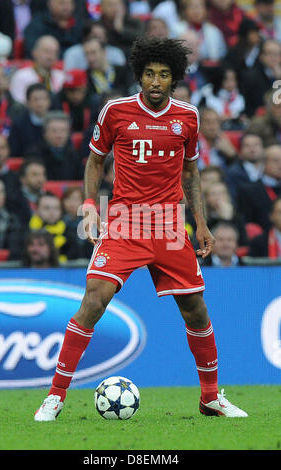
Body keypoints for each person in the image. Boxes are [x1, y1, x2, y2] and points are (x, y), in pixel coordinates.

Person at [34, 36, 247, 421]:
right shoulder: (115, 111)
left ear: (174, 79)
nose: (155, 81)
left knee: (196, 310)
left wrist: (200, 222)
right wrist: (89, 206)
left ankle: (211, 397)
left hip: (168, 225)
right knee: (94, 301)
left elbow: (191, 171)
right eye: (149, 73)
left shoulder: (188, 117)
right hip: (124, 222)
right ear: (139, 75)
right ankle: (55, 396)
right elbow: (95, 161)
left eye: (163, 75)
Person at [25, 111, 84, 180]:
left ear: (68, 133)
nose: (58, 135)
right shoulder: (34, 154)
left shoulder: (75, 155)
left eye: (63, 131)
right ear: (44, 133)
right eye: (54, 131)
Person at [29, 192, 84, 262]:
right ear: (36, 210)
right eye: (46, 208)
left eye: (56, 208)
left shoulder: (69, 233)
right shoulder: (28, 232)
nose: (52, 212)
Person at [9, 35, 65, 104]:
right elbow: (19, 104)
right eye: (46, 51)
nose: (50, 57)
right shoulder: (21, 76)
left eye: (54, 53)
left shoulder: (62, 76)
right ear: (34, 52)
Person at [237, 144, 281, 231]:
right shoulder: (248, 191)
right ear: (264, 163)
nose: (280, 164)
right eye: (275, 160)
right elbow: (247, 224)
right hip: (261, 242)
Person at [8, 83, 51, 157]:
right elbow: (15, 152)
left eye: (43, 99)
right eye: (35, 99)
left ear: (49, 101)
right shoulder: (19, 125)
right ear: (27, 102)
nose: (40, 103)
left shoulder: (56, 122)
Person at [240, 39, 281, 117]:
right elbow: (245, 106)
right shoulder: (250, 76)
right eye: (269, 53)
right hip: (259, 119)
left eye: (277, 54)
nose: (273, 58)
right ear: (261, 56)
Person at [51, 69, 99, 133]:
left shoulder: (94, 102)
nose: (75, 95)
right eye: (71, 90)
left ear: (85, 88)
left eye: (79, 90)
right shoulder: (56, 102)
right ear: (65, 90)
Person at [226, 133, 265, 201]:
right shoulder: (232, 173)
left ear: (263, 148)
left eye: (256, 145)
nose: (252, 149)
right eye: (247, 146)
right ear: (240, 150)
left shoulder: (270, 170)